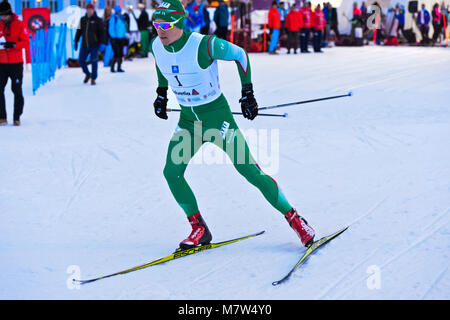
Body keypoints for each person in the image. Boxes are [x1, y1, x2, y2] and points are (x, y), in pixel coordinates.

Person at [149, 0, 315, 250]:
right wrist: (161, 93)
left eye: (165, 24)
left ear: (179, 23)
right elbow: (162, 65)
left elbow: (240, 54)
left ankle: (295, 220)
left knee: (251, 173)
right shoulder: (157, 46)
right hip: (188, 122)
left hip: (217, 119)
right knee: (171, 173)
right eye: (156, 24)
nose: (160, 29)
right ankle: (199, 228)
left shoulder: (203, 44)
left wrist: (247, 92)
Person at [0, 1, 27, 126]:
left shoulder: (19, 24)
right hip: (1, 63)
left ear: (10, 14)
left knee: (16, 89)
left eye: (5, 15)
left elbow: (26, 43)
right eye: (1, 15)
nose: (3, 18)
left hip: (16, 63)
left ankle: (17, 117)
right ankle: (2, 117)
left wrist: (15, 45)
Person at [74, 3, 106, 85]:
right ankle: (88, 74)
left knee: (94, 61)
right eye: (88, 10)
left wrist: (102, 43)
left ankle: (93, 78)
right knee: (81, 60)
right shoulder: (82, 20)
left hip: (94, 45)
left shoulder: (98, 20)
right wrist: (76, 41)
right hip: (84, 44)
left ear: (93, 10)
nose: (89, 11)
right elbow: (78, 31)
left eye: (91, 10)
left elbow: (102, 32)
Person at [108, 5, 127, 72]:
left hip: (121, 38)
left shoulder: (121, 18)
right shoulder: (113, 18)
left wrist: (124, 36)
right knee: (116, 53)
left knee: (120, 54)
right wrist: (114, 37)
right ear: (116, 11)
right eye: (119, 11)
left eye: (120, 10)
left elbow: (123, 28)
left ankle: (119, 67)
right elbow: (111, 29)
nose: (120, 12)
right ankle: (112, 68)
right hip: (115, 39)